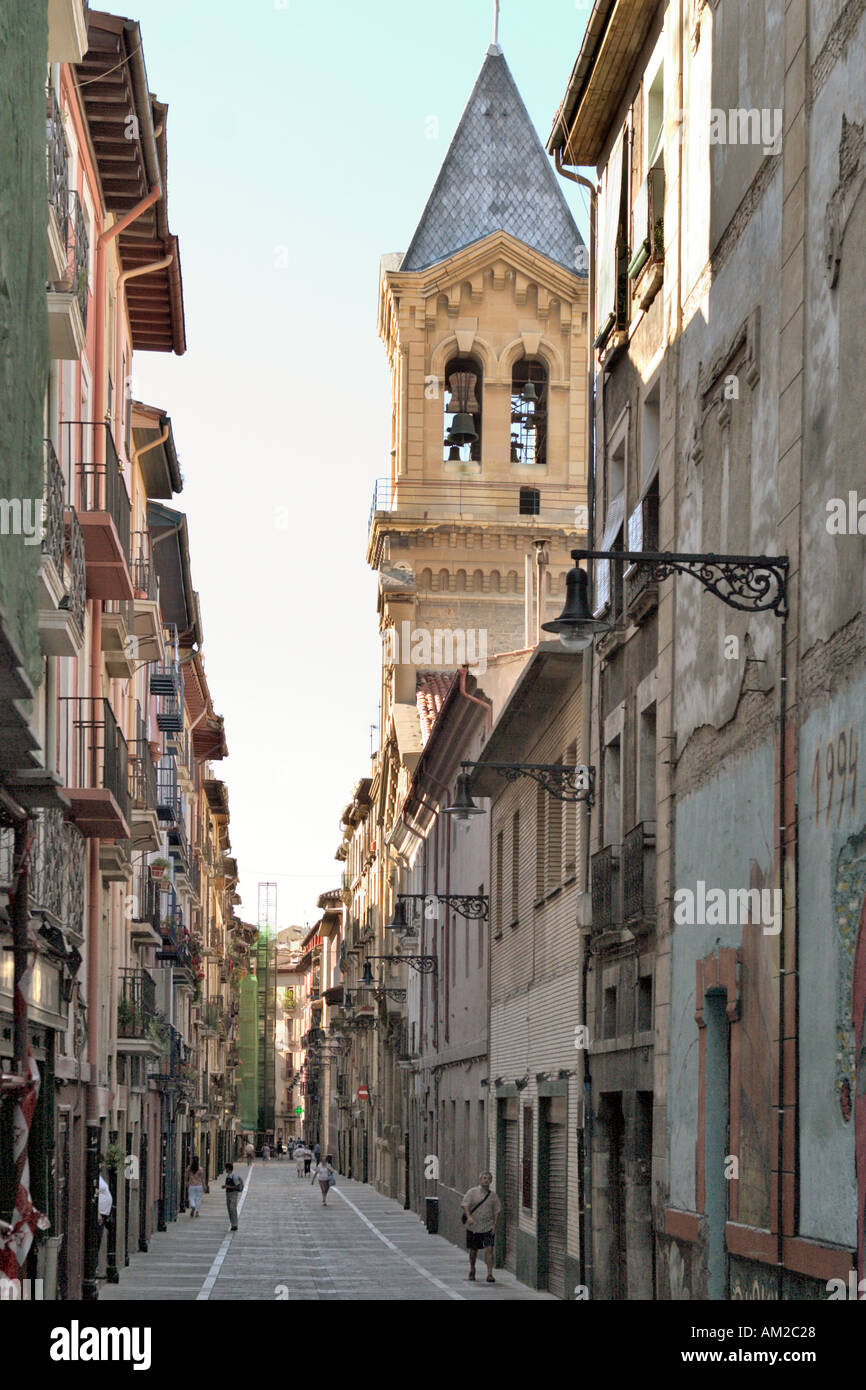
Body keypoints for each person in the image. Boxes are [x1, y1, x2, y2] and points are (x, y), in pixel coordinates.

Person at [460, 1172, 501, 1284]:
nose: (486, 1180)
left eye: (488, 1179)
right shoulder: (472, 1192)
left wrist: (494, 1225)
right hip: (474, 1227)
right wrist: (469, 1217)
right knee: (474, 1250)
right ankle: (472, 1269)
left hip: (488, 1226)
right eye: (484, 1178)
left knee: (489, 1250)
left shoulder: (493, 1196)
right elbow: (465, 1205)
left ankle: (489, 1274)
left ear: (491, 1181)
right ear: (480, 1180)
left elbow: (497, 1212)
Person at [223, 1163, 244, 1231]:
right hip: (228, 1194)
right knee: (229, 1209)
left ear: (228, 1168)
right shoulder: (228, 1175)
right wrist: (225, 1186)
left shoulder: (234, 1176)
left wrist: (228, 1186)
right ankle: (233, 1224)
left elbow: (237, 1185)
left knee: (232, 1208)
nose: (225, 1169)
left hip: (233, 1193)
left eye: (226, 1168)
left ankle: (235, 1224)